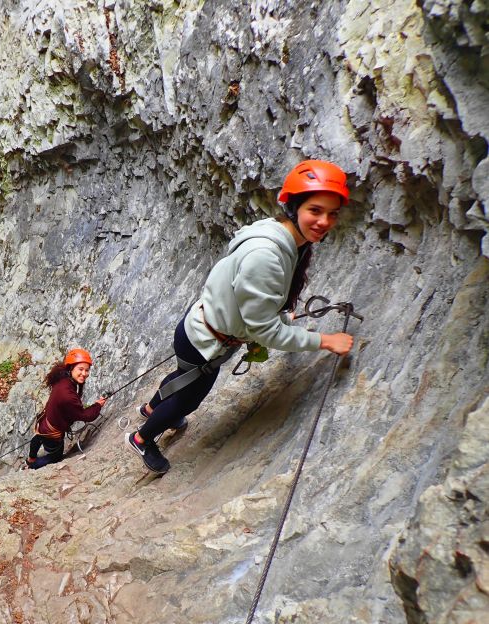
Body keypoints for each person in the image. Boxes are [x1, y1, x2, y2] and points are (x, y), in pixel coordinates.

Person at [127, 159, 355, 474]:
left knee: (183, 375)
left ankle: (151, 407)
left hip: (198, 329)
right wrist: (324, 341)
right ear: (294, 208)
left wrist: (275, 313)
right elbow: (265, 331)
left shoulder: (280, 236)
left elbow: (256, 305)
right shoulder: (268, 256)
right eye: (315, 210)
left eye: (332, 214)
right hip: (206, 342)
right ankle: (142, 436)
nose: (324, 221)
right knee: (188, 399)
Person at [26, 348, 107, 470]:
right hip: (53, 431)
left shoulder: (62, 378)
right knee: (56, 457)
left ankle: (31, 458)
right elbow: (85, 416)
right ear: (71, 368)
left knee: (38, 437)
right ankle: (32, 466)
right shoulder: (67, 395)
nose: (84, 373)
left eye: (87, 370)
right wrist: (97, 405)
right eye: (80, 369)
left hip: (45, 421)